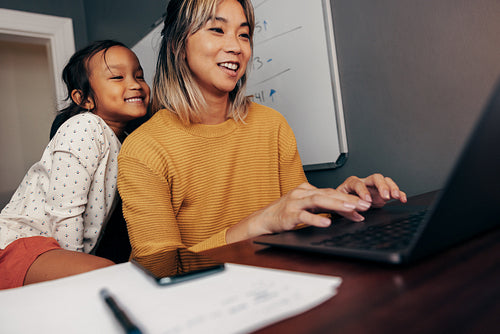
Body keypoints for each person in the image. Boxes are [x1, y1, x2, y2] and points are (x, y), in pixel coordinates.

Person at [117, 0, 407, 277]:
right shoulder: (144, 149)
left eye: (244, 35)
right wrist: (258, 224)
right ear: (178, 45)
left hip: (281, 280)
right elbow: (162, 268)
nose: (236, 47)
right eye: (217, 30)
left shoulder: (272, 124)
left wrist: (339, 204)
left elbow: (294, 218)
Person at [0, 40, 151, 289]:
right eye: (117, 77)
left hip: (50, 251)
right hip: (20, 241)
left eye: (139, 75)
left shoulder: (127, 142)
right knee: (104, 276)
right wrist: (77, 269)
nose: (135, 84)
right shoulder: (84, 127)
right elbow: (65, 213)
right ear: (84, 98)